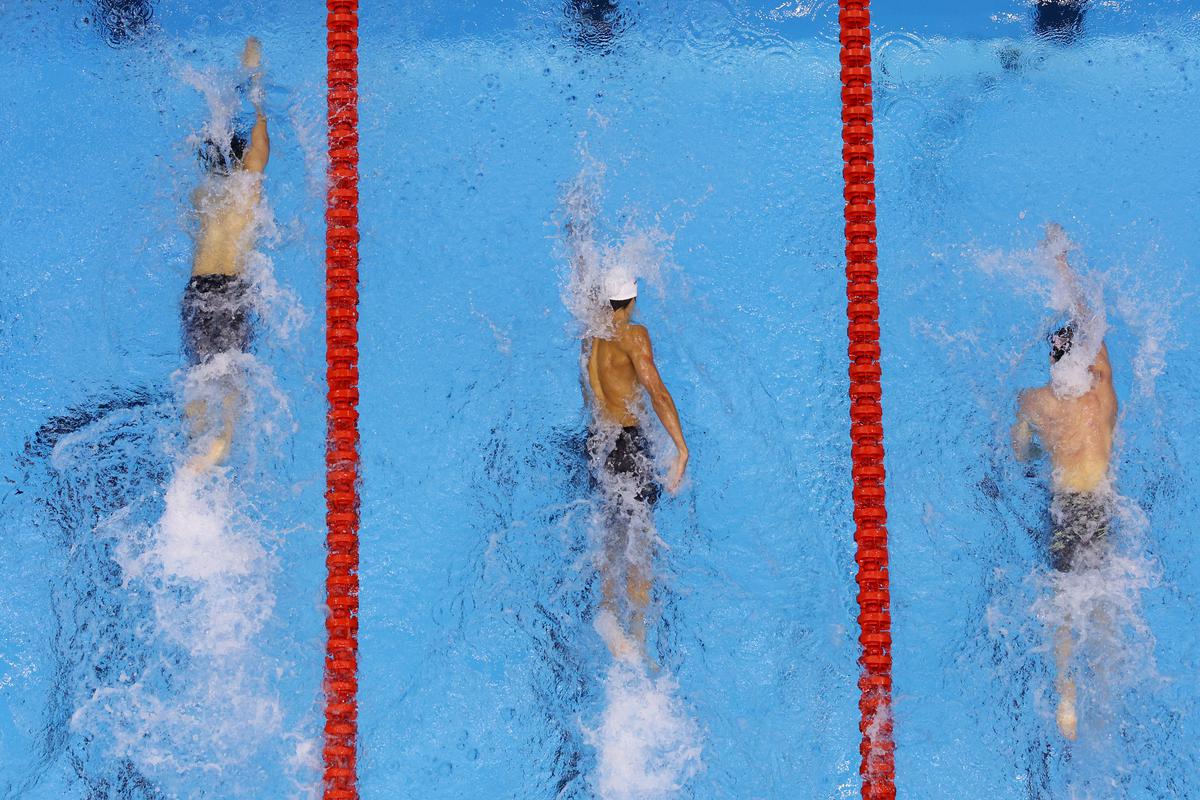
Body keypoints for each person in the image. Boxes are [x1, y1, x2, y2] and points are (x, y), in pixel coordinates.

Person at [1011, 223, 1117, 740]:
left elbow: (1022, 453)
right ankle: (1105, 685)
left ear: (1052, 362)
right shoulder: (1103, 399)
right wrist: (1063, 266)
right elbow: (1090, 323)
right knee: (1099, 598)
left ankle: (1067, 700)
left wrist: (1033, 446)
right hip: (1099, 504)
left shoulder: (1036, 402)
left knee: (1063, 604)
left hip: (1063, 507)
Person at [580, 267, 688, 663]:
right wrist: (680, 448)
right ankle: (639, 638)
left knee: (612, 532)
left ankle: (608, 614)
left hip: (598, 441)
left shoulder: (590, 336)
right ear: (633, 299)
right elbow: (656, 392)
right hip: (627, 442)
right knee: (640, 536)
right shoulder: (633, 335)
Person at [182, 37, 270, 473]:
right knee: (230, 379)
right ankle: (219, 445)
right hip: (231, 293)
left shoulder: (202, 195)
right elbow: (261, 151)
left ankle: (195, 445)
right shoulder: (245, 191)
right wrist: (256, 92)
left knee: (201, 368)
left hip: (196, 292)